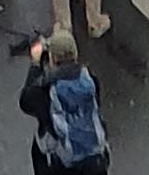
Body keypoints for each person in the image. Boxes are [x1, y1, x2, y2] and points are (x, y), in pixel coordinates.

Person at [18, 32, 109, 175]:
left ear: (52, 59)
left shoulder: (46, 91)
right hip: (94, 162)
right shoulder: (90, 80)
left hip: (62, 166)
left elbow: (25, 101)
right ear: (76, 54)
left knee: (40, 146)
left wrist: (35, 64)